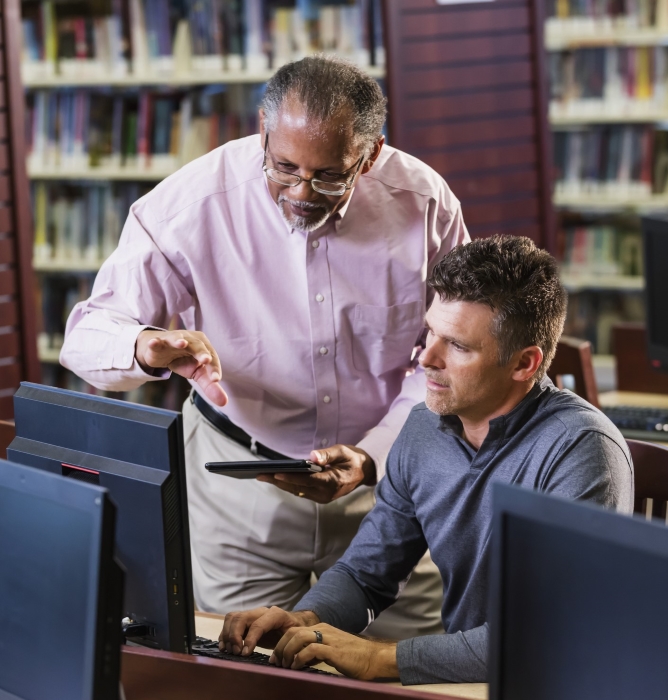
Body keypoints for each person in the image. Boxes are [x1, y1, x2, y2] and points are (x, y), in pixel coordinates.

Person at [59, 56, 467, 638]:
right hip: (239, 491)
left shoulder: (425, 205)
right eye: (284, 167)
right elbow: (87, 332)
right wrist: (147, 344)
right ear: (263, 131)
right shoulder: (194, 202)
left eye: (328, 175)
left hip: (391, 491)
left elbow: (449, 357)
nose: (301, 191)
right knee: (240, 672)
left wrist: (374, 456)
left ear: (371, 154)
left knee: (405, 673)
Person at [217, 235, 635, 684]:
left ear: (524, 364)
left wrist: (381, 659)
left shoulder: (583, 451)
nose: (427, 359)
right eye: (430, 332)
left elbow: (552, 637)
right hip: (469, 684)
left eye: (457, 345)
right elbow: (366, 574)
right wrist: (305, 620)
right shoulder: (422, 428)